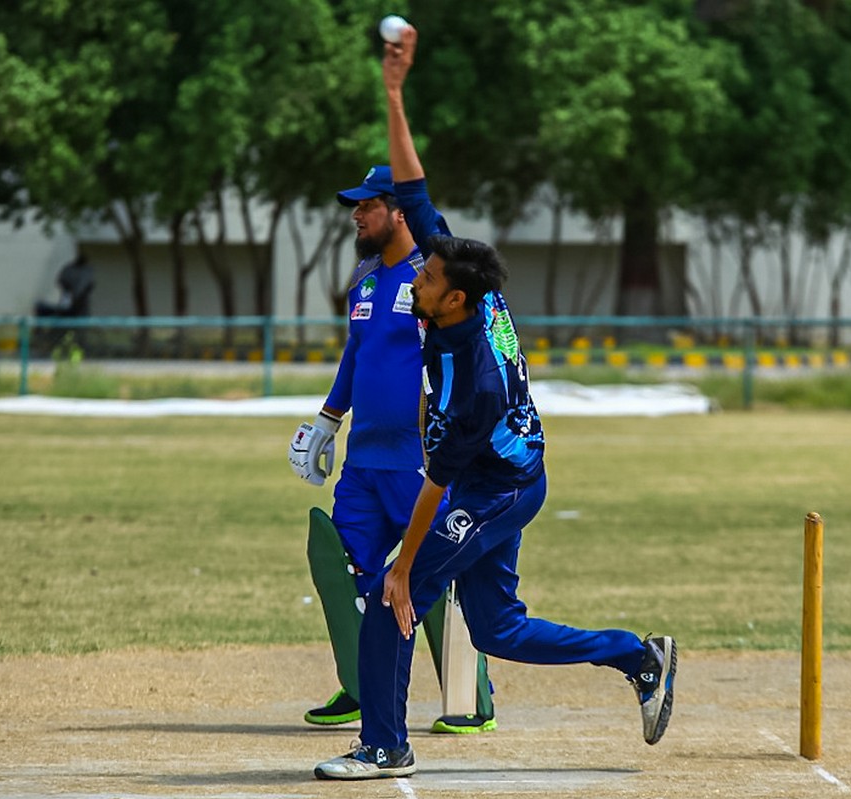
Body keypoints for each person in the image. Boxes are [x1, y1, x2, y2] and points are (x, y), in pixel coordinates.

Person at [313, 25, 677, 781]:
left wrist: (405, 566)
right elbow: (413, 188)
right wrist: (393, 91)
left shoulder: (470, 380)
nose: (416, 278)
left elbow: (439, 481)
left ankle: (384, 745)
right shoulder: (462, 284)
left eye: (425, 278)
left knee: (392, 594)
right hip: (506, 474)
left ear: (453, 298)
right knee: (500, 630)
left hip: (497, 486)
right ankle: (638, 656)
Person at [287, 136, 496, 734]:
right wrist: (328, 420)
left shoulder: (435, 277)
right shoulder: (364, 278)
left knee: (433, 568)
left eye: (367, 205)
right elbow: (358, 354)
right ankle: (360, 684)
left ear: (397, 212)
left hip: (418, 460)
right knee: (342, 565)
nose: (357, 215)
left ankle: (469, 698)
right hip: (364, 460)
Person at [35, 251, 94, 318]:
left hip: (80, 301)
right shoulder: (70, 269)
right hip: (68, 296)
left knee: (77, 314)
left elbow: (87, 285)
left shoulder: (87, 270)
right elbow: (61, 280)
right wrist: (69, 288)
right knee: (64, 313)